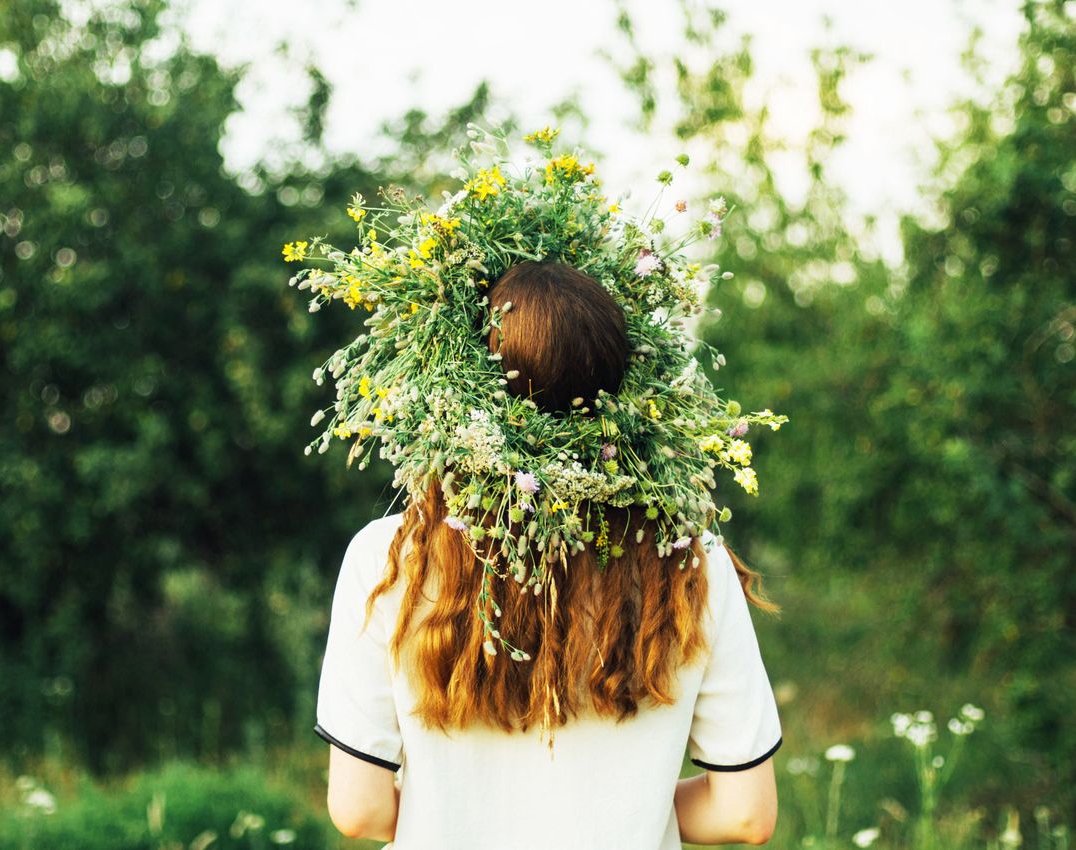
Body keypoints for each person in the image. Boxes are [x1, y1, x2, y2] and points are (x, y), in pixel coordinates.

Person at [313, 261, 784, 849]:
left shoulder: (387, 557)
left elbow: (359, 812)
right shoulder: (691, 561)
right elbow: (746, 815)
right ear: (621, 388)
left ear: (462, 385)